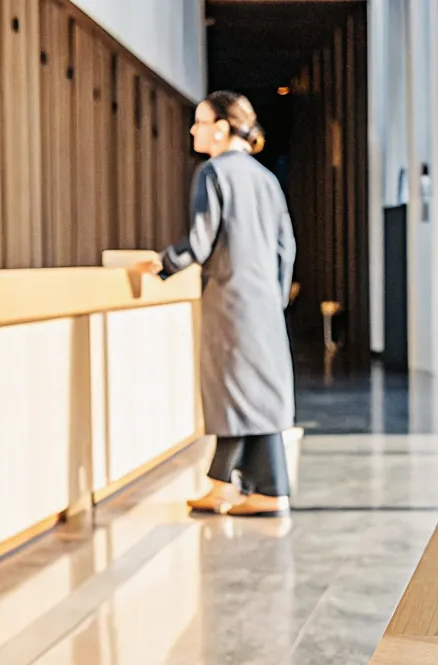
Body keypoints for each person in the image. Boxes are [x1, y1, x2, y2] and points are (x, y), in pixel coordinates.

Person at [134, 91, 298, 517]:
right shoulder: (267, 179)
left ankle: (241, 486)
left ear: (222, 128)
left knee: (231, 390)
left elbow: (201, 241)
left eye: (200, 122)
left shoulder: (214, 172)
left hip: (229, 298)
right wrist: (276, 296)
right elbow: (287, 245)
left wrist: (164, 264)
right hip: (263, 300)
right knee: (256, 392)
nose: (193, 130)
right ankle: (249, 486)